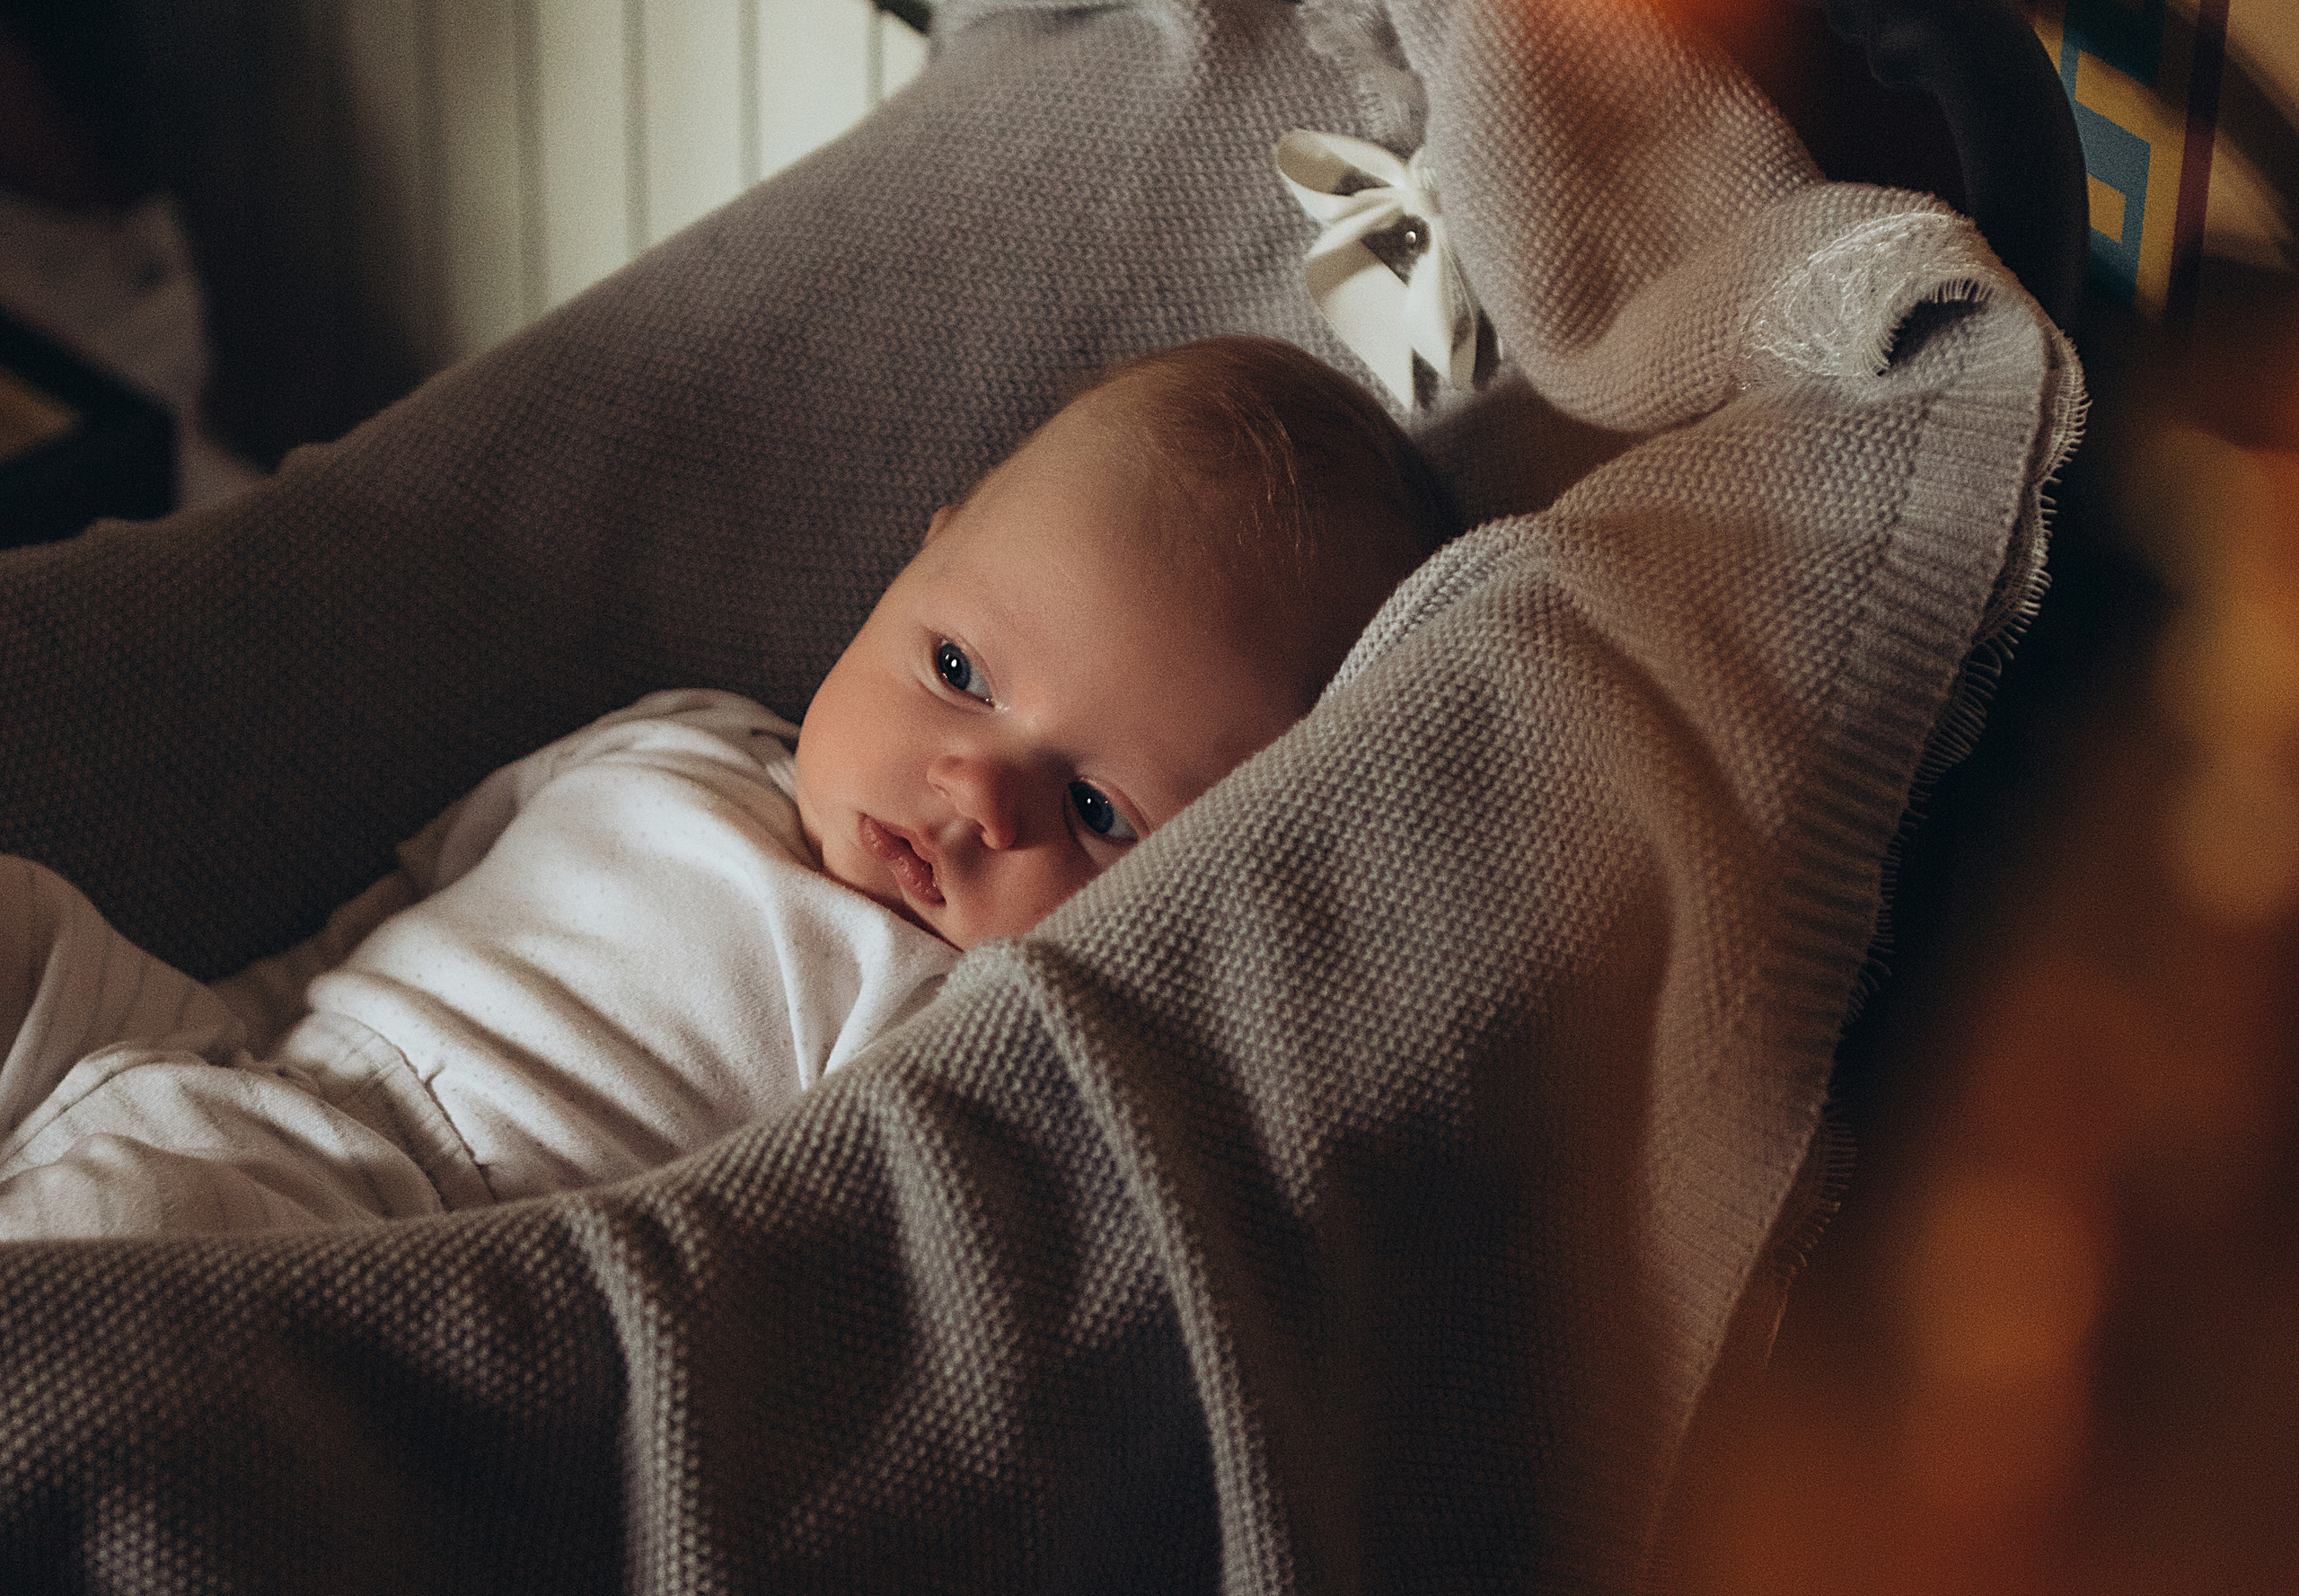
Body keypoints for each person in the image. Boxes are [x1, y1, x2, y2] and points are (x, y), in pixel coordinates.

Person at [0, 334, 1454, 1238]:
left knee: (139, 1222)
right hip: (242, 1062)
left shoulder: (943, 1018)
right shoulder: (682, 733)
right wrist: (229, 1032)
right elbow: (417, 881)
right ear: (911, 563)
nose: (974, 789)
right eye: (956, 667)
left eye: (1095, 813)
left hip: (395, 1229)